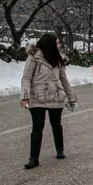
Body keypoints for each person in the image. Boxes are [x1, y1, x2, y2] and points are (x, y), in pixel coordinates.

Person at [19, 34, 77, 169]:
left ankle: (60, 149)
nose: (59, 45)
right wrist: (25, 97)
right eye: (56, 43)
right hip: (37, 97)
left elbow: (64, 80)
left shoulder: (58, 58)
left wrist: (71, 97)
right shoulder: (34, 57)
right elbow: (26, 78)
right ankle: (33, 158)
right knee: (37, 126)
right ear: (49, 44)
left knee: (56, 124)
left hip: (56, 96)